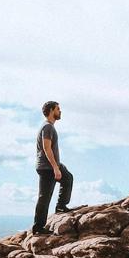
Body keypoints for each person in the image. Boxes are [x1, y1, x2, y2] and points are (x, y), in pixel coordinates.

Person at [32, 100, 76, 234]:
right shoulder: (47, 127)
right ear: (51, 111)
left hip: (50, 165)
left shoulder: (48, 127)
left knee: (67, 177)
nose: (60, 111)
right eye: (58, 109)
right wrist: (55, 168)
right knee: (44, 197)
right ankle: (38, 227)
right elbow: (47, 148)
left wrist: (57, 166)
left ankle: (61, 206)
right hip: (47, 167)